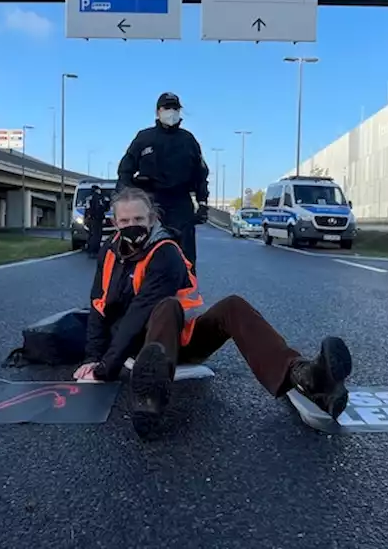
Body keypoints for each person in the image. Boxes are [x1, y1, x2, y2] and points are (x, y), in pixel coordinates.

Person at [77, 187, 355, 439]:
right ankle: (149, 394)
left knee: (224, 306)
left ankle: (307, 376)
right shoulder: (109, 252)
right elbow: (97, 305)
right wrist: (93, 357)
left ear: (151, 220)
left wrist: (106, 367)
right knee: (69, 331)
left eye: (138, 220)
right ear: (115, 223)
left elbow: (141, 311)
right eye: (125, 222)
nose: (131, 226)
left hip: (171, 340)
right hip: (134, 347)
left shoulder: (166, 253)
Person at [116, 92, 210, 271]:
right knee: (145, 256)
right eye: (167, 108)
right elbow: (125, 171)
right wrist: (126, 200)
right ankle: (143, 294)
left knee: (185, 260)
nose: (171, 112)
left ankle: (185, 297)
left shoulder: (188, 141)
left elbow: (201, 174)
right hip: (150, 203)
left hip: (181, 205)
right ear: (158, 111)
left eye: (175, 108)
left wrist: (202, 203)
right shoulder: (144, 138)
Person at [84, 184, 108, 257]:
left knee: (91, 234)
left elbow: (87, 209)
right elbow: (100, 208)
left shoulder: (88, 198)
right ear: (97, 190)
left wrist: (86, 217)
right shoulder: (98, 198)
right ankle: (95, 251)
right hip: (97, 219)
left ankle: (89, 249)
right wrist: (103, 217)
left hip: (89, 219)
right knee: (97, 235)